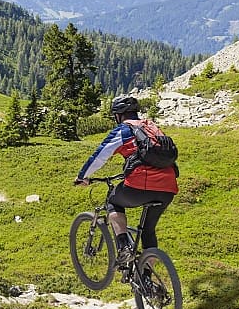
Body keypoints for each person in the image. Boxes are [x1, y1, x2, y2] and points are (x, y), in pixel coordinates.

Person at [74, 96, 178, 268]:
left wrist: (81, 176)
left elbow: (99, 157)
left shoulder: (124, 130)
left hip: (140, 186)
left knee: (113, 202)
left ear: (118, 116)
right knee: (148, 231)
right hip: (168, 187)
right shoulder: (151, 127)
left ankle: (123, 247)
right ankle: (147, 279)